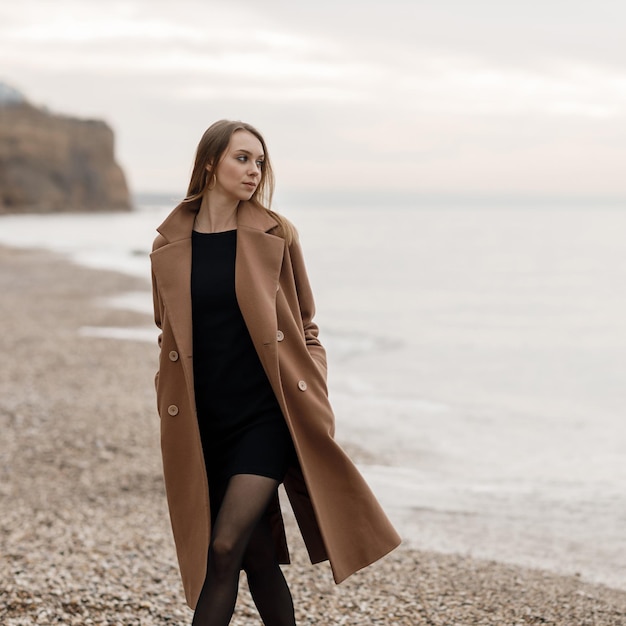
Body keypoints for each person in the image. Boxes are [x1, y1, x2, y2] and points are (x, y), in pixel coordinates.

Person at [150, 120, 401, 625]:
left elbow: (306, 325)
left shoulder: (276, 233)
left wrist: (315, 390)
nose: (253, 170)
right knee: (256, 556)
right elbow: (168, 336)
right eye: (242, 158)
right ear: (209, 163)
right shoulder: (168, 245)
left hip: (267, 416)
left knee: (222, 550)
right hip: (205, 422)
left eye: (259, 161)